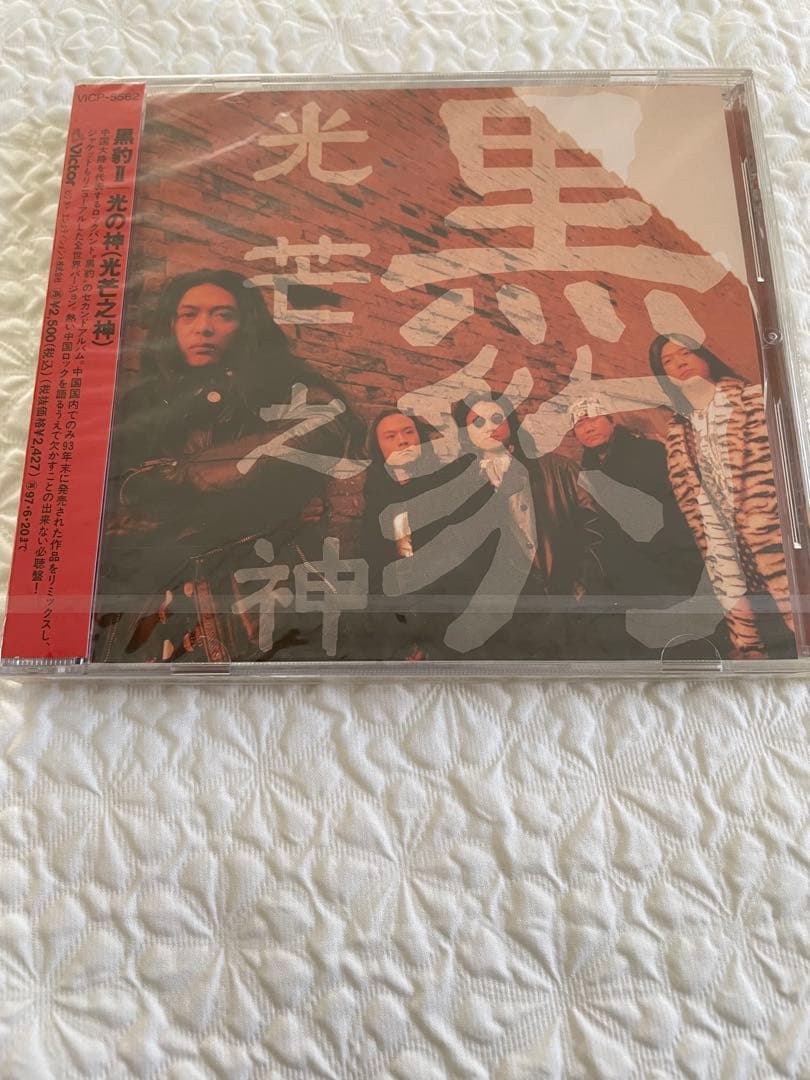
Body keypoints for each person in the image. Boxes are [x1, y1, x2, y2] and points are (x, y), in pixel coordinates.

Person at [93, 268, 362, 663]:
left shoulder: (282, 385)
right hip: (151, 596)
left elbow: (322, 427)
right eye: (188, 314)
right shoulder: (144, 403)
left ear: (245, 324)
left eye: (223, 315)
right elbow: (117, 495)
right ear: (171, 324)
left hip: (254, 591)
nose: (204, 327)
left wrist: (179, 475)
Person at [649, 332, 795, 659]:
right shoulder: (678, 431)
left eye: (685, 353)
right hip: (726, 549)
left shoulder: (754, 399)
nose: (679, 363)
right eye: (668, 361)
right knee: (756, 636)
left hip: (776, 539)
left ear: (705, 357)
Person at [570, 396, 704, 600]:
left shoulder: (649, 451)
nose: (588, 429)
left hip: (669, 562)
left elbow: (679, 504)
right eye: (580, 425)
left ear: (612, 421)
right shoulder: (587, 471)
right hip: (627, 569)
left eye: (595, 419)